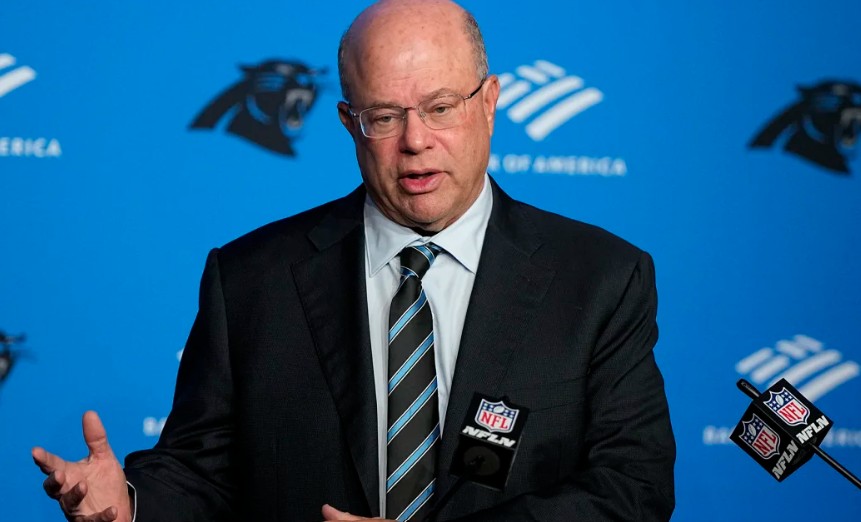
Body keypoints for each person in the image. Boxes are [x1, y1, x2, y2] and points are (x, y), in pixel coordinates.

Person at [32, 0, 675, 520]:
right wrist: (133, 505)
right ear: (347, 122)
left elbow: (634, 486)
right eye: (384, 117)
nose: (416, 141)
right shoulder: (250, 280)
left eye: (441, 108)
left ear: (489, 102)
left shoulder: (600, 278)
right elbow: (201, 473)